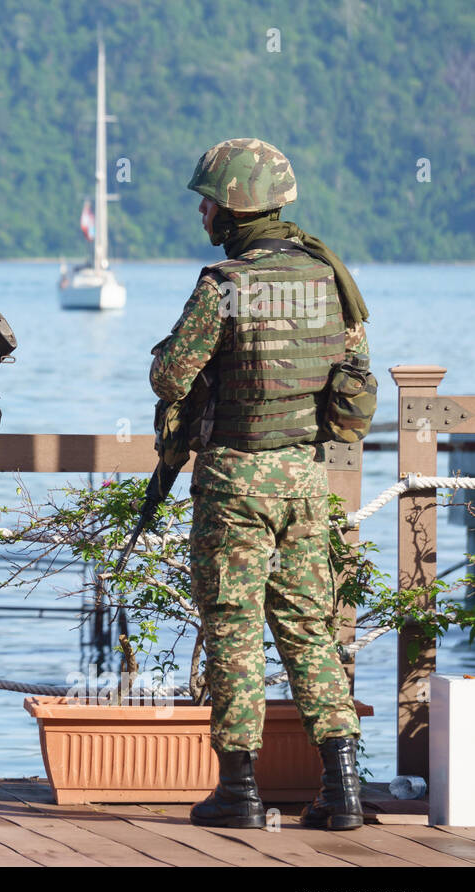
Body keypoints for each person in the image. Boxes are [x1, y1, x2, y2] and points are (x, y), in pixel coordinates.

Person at [149, 139, 371, 830]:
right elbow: (355, 371)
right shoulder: (329, 277)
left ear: (235, 207)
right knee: (308, 626)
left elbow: (170, 377)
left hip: (235, 479)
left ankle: (239, 791)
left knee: (234, 627)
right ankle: (342, 791)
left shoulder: (223, 284)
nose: (204, 213)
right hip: (305, 477)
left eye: (209, 201)